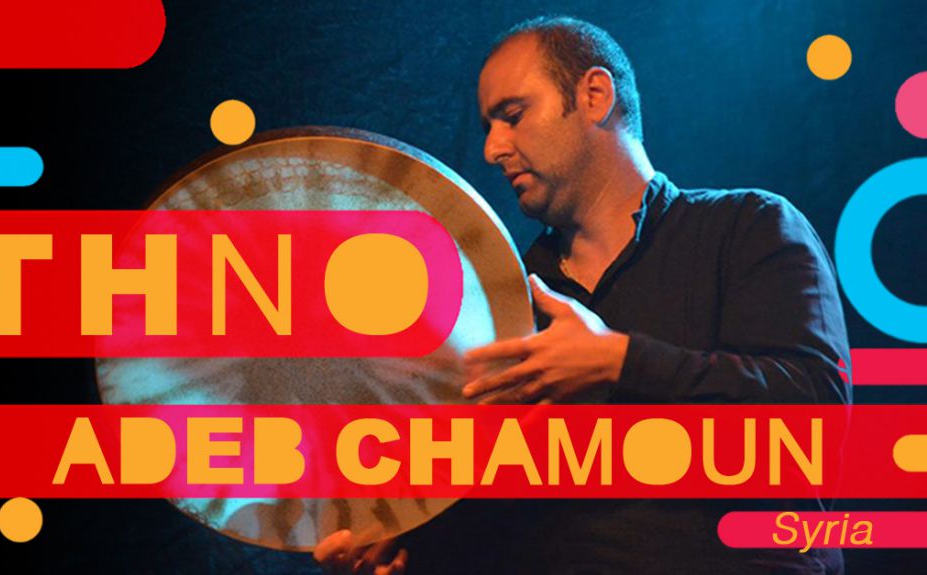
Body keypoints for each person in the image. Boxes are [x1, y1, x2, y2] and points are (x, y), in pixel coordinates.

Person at [316, 15, 850, 574]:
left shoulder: (747, 225)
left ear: (595, 95)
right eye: (489, 127)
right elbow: (490, 522)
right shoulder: (500, 308)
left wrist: (619, 362)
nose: (493, 149)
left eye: (513, 116)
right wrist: (402, 550)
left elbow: (816, 420)